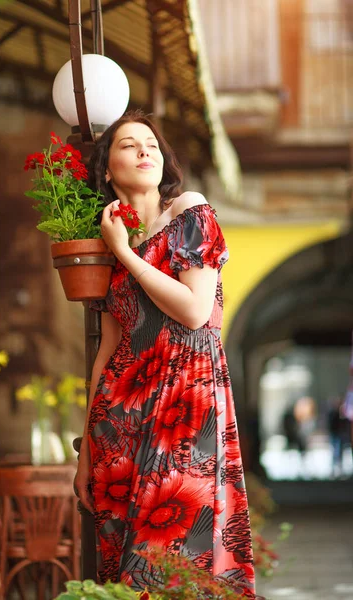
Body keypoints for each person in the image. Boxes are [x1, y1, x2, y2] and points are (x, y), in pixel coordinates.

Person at [74, 110, 255, 595]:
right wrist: (85, 453)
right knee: (123, 565)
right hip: (121, 420)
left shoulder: (188, 211)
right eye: (129, 144)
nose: (145, 150)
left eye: (151, 143)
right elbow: (109, 350)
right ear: (108, 171)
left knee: (171, 557)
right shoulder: (110, 245)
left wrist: (127, 255)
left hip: (186, 400)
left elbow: (195, 312)